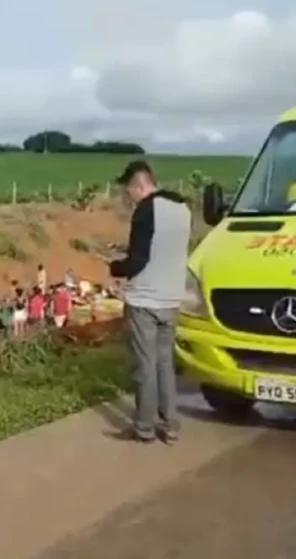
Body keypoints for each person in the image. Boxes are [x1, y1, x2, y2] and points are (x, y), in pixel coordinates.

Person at [111, 160, 190, 445]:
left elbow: (138, 260)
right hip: (171, 297)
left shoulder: (146, 210)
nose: (128, 197)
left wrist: (116, 267)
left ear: (138, 185)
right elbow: (164, 249)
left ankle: (144, 427)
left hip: (145, 299)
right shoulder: (182, 207)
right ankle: (170, 425)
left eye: (128, 191)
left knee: (145, 366)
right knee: (164, 363)